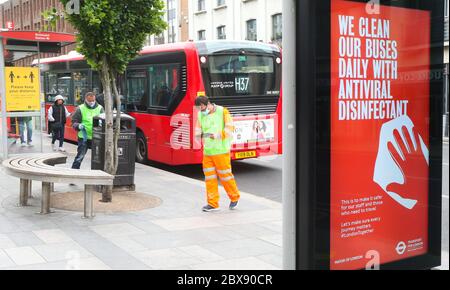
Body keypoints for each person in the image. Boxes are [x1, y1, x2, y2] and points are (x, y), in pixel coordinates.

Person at [195, 96, 240, 212]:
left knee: (225, 176)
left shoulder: (222, 111)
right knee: (209, 178)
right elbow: (197, 131)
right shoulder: (200, 115)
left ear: (207, 104)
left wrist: (218, 135)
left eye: (202, 108)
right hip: (208, 152)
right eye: (199, 108)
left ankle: (234, 197)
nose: (201, 110)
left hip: (221, 151)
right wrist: (200, 136)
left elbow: (230, 128)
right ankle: (212, 204)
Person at [71, 92, 104, 170]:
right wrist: (78, 125)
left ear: (95, 99)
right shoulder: (80, 108)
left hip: (97, 137)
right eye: (90, 101)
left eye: (93, 101)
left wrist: (102, 123)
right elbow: (74, 122)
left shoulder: (100, 108)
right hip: (83, 137)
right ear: (86, 100)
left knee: (98, 158)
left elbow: (104, 120)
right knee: (80, 157)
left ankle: (97, 173)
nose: (91, 103)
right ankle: (74, 172)